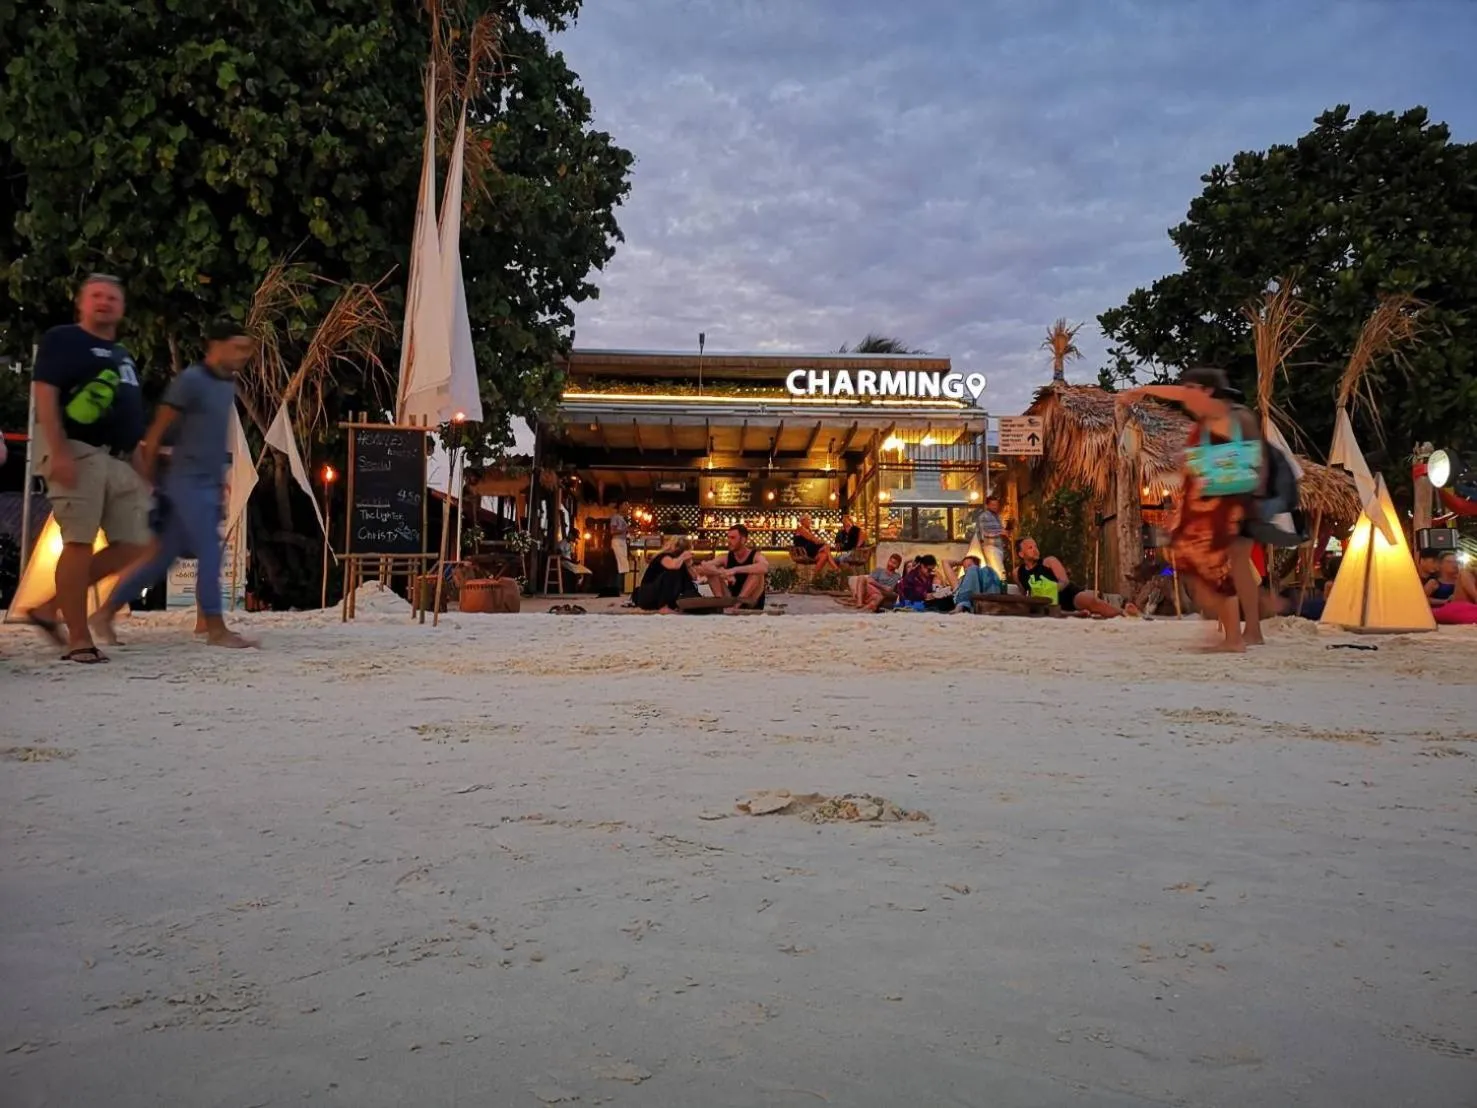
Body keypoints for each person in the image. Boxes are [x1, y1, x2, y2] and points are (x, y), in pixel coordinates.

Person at [90, 320, 258, 649]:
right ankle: (216, 628)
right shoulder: (191, 381)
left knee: (160, 559)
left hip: (207, 484)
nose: (243, 356)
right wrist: (151, 482)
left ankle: (105, 611)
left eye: (246, 349)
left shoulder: (227, 385)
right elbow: (155, 433)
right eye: (237, 348)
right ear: (216, 345)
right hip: (185, 482)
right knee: (212, 551)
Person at [25, 274, 151, 662]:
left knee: (138, 542)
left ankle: (48, 608)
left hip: (118, 457)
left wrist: (141, 462)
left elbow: (132, 412)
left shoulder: (124, 355)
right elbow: (45, 394)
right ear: (81, 303)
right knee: (78, 541)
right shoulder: (62, 340)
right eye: (96, 295)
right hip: (75, 448)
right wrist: (58, 448)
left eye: (112, 297)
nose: (104, 302)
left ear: (122, 307)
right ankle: (79, 639)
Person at [1119, 368, 1263, 651]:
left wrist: (1143, 391)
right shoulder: (1210, 423)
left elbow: (1228, 466)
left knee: (1217, 571)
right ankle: (1234, 635)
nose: (1186, 396)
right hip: (1213, 503)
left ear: (1208, 391)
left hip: (1222, 503)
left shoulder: (1221, 416)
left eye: (1192, 389)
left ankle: (1234, 638)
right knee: (1210, 570)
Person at [1015, 537, 1135, 618]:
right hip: (1046, 604)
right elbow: (1023, 592)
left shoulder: (1049, 561)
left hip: (1067, 595)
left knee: (1091, 601)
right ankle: (1076, 614)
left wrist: (1050, 589)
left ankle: (1122, 613)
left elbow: (1064, 582)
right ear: (1021, 554)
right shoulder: (1018, 573)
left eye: (1036, 546)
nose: (1035, 550)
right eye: (1030, 548)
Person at [695, 524, 769, 611]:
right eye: (728, 537)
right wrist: (722, 573)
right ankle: (721, 604)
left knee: (757, 572)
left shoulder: (755, 555)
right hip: (731, 599)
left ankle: (738, 605)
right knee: (710, 572)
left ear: (743, 540)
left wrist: (734, 570)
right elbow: (703, 566)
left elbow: (764, 567)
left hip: (751, 601)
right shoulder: (726, 557)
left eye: (733, 538)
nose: (729, 541)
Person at [633, 536, 697, 612]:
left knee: (686, 580)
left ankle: (691, 602)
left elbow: (694, 577)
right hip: (649, 596)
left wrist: (688, 565)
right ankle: (664, 606)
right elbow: (673, 566)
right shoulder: (664, 556)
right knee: (672, 572)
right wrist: (682, 557)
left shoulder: (679, 562)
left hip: (663, 595)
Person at [972, 494, 1007, 574]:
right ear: (987, 505)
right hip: (991, 547)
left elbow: (1000, 531)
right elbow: (984, 533)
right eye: (993, 505)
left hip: (999, 547)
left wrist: (1005, 533)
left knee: (997, 570)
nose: (995, 507)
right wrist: (1000, 533)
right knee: (998, 571)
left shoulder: (997, 516)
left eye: (996, 505)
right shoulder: (983, 517)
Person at [610, 501, 631, 591]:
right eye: (625, 505)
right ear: (620, 506)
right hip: (617, 541)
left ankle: (620, 587)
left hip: (622, 541)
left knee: (623, 564)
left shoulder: (622, 518)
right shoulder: (615, 517)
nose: (627, 507)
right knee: (621, 564)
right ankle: (618, 588)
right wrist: (625, 529)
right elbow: (612, 531)